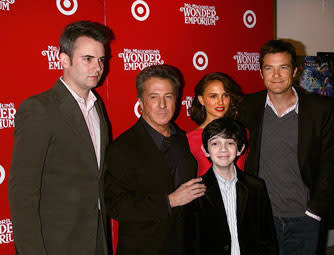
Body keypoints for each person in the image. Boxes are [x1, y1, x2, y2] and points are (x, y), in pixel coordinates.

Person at [8, 20, 113, 255]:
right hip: (56, 243)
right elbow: (22, 191)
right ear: (64, 59)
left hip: (96, 239)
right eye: (87, 59)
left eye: (101, 60)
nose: (97, 67)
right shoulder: (39, 109)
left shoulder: (97, 107)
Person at [238, 39, 334, 255]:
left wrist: (315, 211)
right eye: (269, 68)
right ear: (261, 73)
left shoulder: (321, 110)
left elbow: (330, 164)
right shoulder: (248, 106)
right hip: (262, 217)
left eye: (283, 67)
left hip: (304, 219)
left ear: (295, 71)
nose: (276, 75)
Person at [104, 64, 206, 255]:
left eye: (168, 96)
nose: (162, 105)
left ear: (177, 100)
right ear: (140, 102)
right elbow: (116, 206)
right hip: (143, 248)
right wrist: (169, 201)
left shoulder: (184, 140)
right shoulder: (122, 148)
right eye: (154, 97)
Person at [192, 117, 277, 255]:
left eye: (230, 143)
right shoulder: (196, 190)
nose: (223, 149)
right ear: (205, 150)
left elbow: (267, 236)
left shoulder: (256, 187)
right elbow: (192, 241)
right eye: (215, 144)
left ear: (240, 148)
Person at [187, 72, 248, 176]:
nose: (220, 102)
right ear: (201, 99)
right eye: (213, 96)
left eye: (225, 95)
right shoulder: (190, 139)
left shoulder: (243, 133)